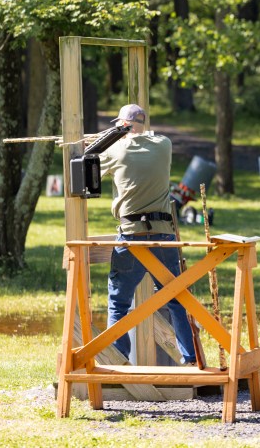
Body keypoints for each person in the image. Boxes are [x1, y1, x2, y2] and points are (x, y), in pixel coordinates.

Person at [99, 104, 196, 365]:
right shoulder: (164, 145)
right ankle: (190, 357)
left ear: (122, 126)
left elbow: (91, 164)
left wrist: (104, 139)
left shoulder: (114, 149)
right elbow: (147, 137)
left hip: (131, 234)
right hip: (163, 234)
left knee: (118, 303)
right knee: (176, 296)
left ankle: (118, 360)